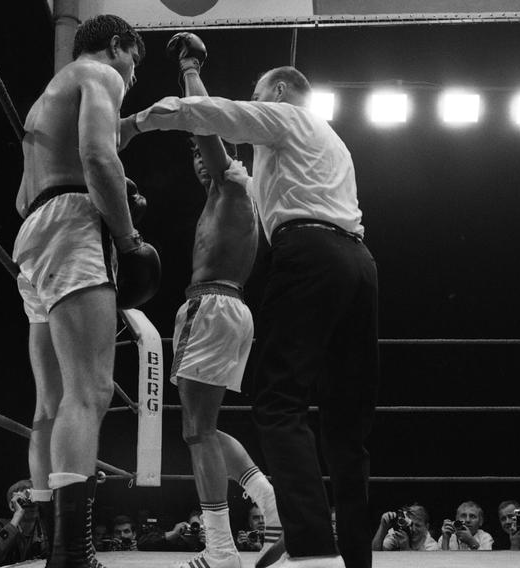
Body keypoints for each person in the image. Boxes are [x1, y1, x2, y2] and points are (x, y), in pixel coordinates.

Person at [122, 36, 377, 568]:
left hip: (295, 262)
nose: (258, 103)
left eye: (261, 95)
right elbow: (210, 131)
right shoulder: (320, 151)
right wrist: (192, 71)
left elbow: (213, 121)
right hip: (355, 262)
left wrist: (137, 121)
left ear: (280, 92)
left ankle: (300, 544)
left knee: (272, 406)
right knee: (344, 422)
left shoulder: (282, 125)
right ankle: (347, 554)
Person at [11, 13, 157, 568]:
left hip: (33, 235)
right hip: (73, 227)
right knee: (90, 392)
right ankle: (72, 555)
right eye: (134, 61)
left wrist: (131, 140)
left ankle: (55, 545)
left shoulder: (54, 92)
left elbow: (85, 153)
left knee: (50, 404)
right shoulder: (101, 75)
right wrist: (129, 237)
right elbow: (98, 156)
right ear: (117, 45)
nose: (133, 77)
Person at [133, 32, 282, 568]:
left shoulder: (234, 183)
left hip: (213, 306)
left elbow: (204, 121)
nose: (198, 160)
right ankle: (266, 499)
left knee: (196, 432)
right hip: (226, 308)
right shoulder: (236, 198)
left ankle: (221, 549)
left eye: (204, 153)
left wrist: (191, 69)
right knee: (206, 427)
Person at [0, 479, 48, 565]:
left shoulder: (44, 528)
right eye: (23, 500)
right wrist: (17, 515)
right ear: (12, 504)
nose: (31, 503)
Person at [371, 505, 439, 551]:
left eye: (418, 525)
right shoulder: (400, 532)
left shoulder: (432, 547)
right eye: (411, 524)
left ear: (427, 527)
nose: (413, 529)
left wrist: (406, 549)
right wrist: (383, 527)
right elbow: (375, 553)